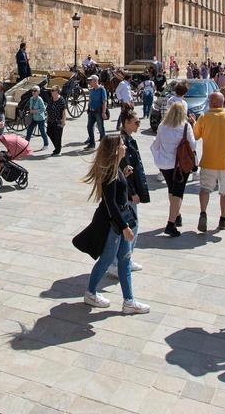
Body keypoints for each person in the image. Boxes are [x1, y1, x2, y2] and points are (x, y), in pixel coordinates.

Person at [82, 134, 150, 314]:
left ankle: (129, 301)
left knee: (124, 261)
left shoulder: (114, 170)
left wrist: (124, 175)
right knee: (106, 260)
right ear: (115, 150)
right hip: (115, 226)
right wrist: (125, 227)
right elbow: (111, 204)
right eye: (121, 144)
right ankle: (91, 293)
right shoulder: (110, 173)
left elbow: (115, 194)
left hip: (118, 223)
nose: (124, 147)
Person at [194, 92, 225, 233]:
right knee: (224, 192)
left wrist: (194, 123)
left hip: (208, 161)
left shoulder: (204, 117)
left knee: (205, 189)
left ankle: (203, 213)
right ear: (223, 103)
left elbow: (196, 136)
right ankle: (223, 218)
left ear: (211, 102)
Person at [151, 101, 198, 237]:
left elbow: (156, 144)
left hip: (165, 165)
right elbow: (193, 146)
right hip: (180, 165)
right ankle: (171, 223)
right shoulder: (185, 126)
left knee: (172, 190)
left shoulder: (162, 126)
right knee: (178, 193)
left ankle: (176, 215)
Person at [115, 111, 149, 276]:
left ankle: (126, 259)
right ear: (126, 122)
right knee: (131, 227)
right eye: (136, 122)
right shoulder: (122, 143)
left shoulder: (129, 140)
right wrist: (132, 192)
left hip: (130, 191)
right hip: (127, 193)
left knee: (131, 227)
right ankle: (119, 261)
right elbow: (124, 171)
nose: (138, 125)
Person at [84, 75, 109, 148]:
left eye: (90, 80)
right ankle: (92, 143)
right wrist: (88, 108)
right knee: (89, 127)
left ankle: (104, 144)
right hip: (91, 111)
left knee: (101, 128)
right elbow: (90, 100)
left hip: (98, 111)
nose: (89, 82)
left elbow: (104, 101)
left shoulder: (102, 89)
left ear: (95, 81)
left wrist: (104, 112)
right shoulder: (92, 90)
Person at [46, 85, 67, 156]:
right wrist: (47, 119)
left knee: (58, 136)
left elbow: (64, 111)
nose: (51, 92)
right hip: (50, 120)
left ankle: (57, 150)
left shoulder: (61, 100)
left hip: (58, 121)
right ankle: (58, 146)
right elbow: (48, 109)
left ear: (57, 92)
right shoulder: (51, 99)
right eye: (51, 91)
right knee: (49, 132)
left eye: (53, 91)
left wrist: (63, 121)